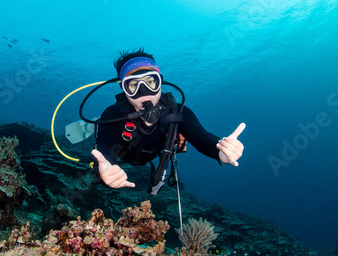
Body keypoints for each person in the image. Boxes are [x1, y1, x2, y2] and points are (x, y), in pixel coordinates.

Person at [91, 49, 245, 189]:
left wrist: (220, 150)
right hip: (125, 154)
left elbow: (202, 138)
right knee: (101, 126)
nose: (144, 93)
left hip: (148, 154)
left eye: (150, 82)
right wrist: (104, 170)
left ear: (160, 82)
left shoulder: (178, 113)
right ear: (124, 91)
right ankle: (92, 125)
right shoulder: (113, 115)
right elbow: (104, 152)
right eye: (133, 86)